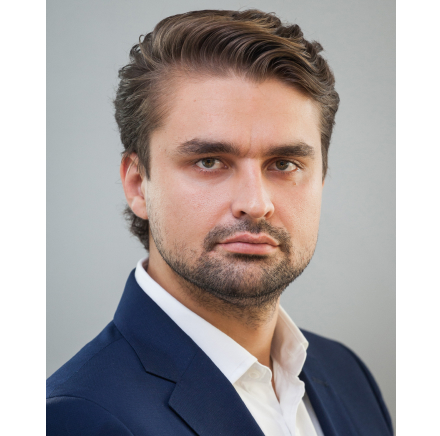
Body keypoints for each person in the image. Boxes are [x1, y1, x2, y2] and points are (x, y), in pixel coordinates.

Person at [46, 9, 393, 436]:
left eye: (284, 163)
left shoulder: (347, 375)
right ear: (138, 185)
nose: (255, 204)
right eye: (210, 161)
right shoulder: (76, 417)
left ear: (321, 179)